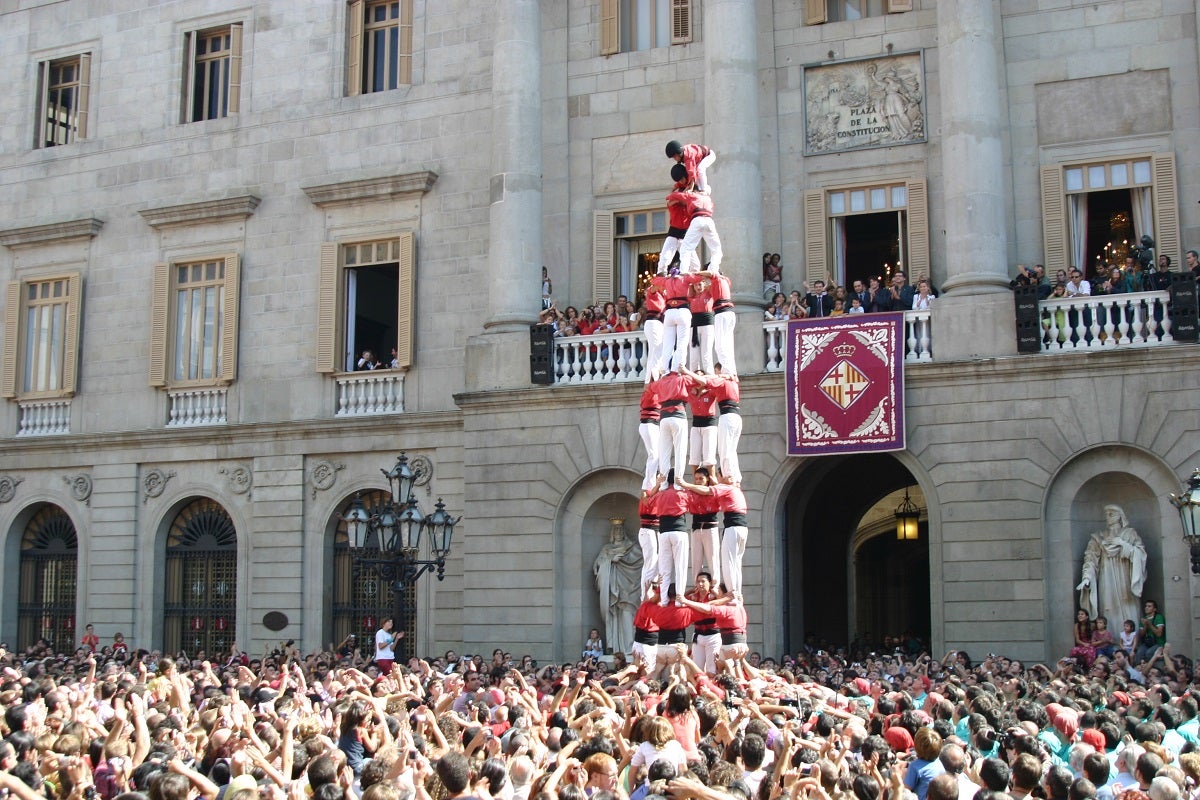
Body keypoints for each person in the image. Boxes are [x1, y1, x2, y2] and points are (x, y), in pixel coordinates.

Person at [1077, 504, 1148, 636]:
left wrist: (1123, 544)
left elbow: (1141, 554)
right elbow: (1090, 559)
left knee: (1129, 606)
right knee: (1108, 607)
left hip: (1125, 576)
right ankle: (1111, 640)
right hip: (1107, 576)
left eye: (1111, 514)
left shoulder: (1130, 534)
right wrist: (1087, 577)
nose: (1108, 517)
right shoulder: (1099, 536)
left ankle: (1131, 642)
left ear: (1120, 516)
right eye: (1107, 514)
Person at [593, 518, 643, 655]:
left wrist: (625, 560)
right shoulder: (607, 549)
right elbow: (597, 567)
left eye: (621, 529)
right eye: (616, 530)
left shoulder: (632, 546)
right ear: (612, 533)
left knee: (628, 617)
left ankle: (630, 649)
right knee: (615, 618)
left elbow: (642, 560)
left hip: (629, 588)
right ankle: (617, 649)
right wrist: (610, 561)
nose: (619, 532)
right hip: (613, 589)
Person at [1136, 599, 1166, 666]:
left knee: (1149, 653)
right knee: (1139, 652)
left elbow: (1159, 634)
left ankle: (1150, 669)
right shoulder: (1144, 618)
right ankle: (1138, 670)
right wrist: (1146, 626)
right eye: (1146, 606)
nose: (1146, 608)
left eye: (1149, 606)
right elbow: (1141, 635)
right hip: (1147, 643)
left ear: (1154, 609)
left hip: (1158, 643)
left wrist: (1149, 624)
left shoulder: (1159, 617)